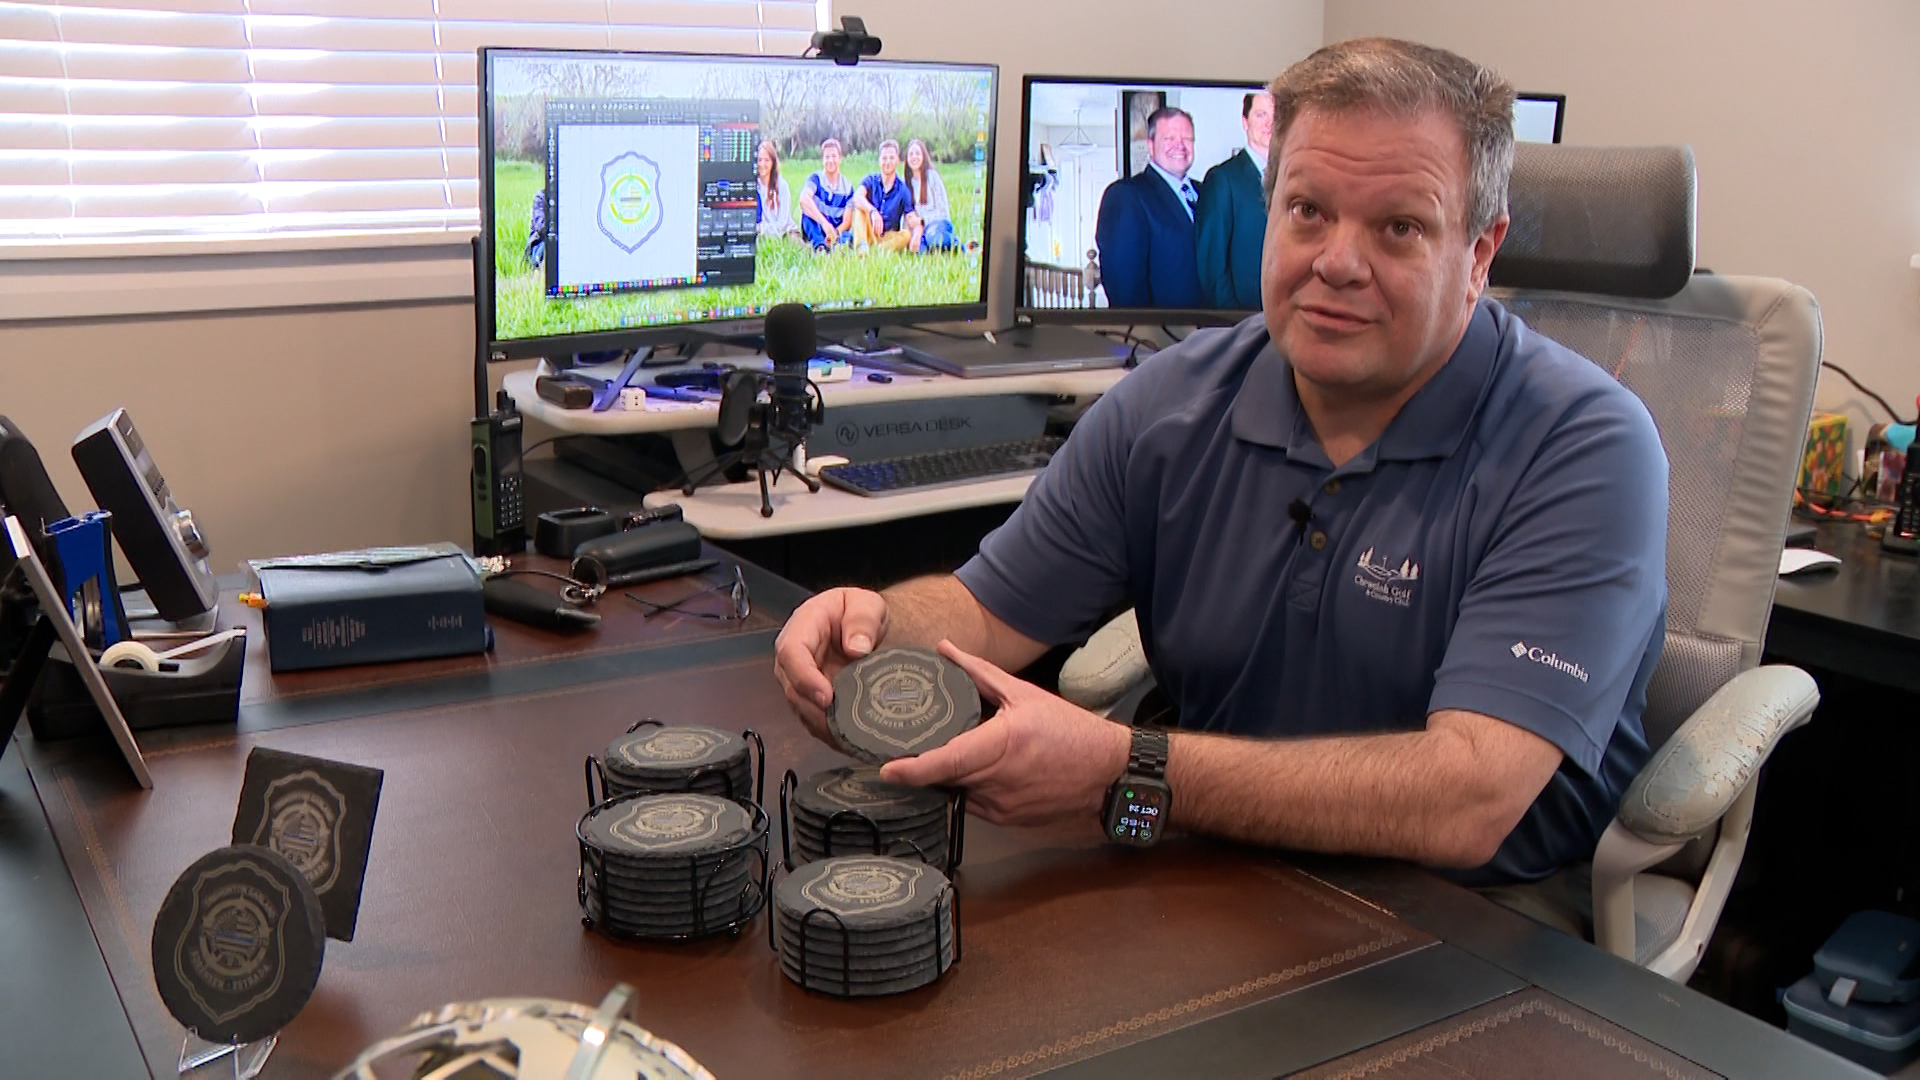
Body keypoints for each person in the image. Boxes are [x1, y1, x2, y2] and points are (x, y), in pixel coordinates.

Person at [773, 38, 1668, 894]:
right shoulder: (1169, 403)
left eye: (1399, 228)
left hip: (1473, 916)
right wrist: (872, 625)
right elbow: (985, 612)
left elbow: (1466, 802)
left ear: (1478, 255)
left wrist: (1130, 772)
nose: (1337, 263)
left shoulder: (1585, 445)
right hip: (1221, 856)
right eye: (1308, 212)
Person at [1093, 106, 1204, 309]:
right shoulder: (1126, 196)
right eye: (1169, 139)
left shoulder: (1206, 191)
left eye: (1187, 139)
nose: (1180, 146)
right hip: (1165, 335)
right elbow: (1124, 288)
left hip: (1216, 332)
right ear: (1150, 146)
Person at [1194, 90, 1274, 310]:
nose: (1269, 123)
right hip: (1243, 320)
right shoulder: (1223, 179)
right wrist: (1233, 321)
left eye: (1276, 116)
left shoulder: (1295, 176)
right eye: (1260, 115)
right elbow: (1213, 266)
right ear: (1244, 121)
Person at [850, 139, 914, 253]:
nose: (887, 162)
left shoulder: (903, 190)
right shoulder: (870, 180)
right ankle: (862, 249)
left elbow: (910, 217)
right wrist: (872, 211)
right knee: (860, 209)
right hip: (869, 231)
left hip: (888, 236)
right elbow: (857, 197)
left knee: (906, 235)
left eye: (891, 158)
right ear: (879, 161)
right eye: (884, 158)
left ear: (897, 160)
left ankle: (878, 250)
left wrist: (920, 224)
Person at [798, 138, 855, 250]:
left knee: (851, 237)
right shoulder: (816, 179)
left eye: (834, 156)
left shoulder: (847, 188)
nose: (830, 160)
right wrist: (824, 224)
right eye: (827, 157)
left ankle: (836, 247)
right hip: (818, 225)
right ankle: (819, 247)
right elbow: (803, 199)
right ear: (822, 160)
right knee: (807, 216)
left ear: (840, 159)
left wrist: (834, 233)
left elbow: (847, 222)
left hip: (836, 230)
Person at [902, 138, 957, 252]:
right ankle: (937, 251)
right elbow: (907, 215)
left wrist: (923, 221)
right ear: (907, 159)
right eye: (911, 154)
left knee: (933, 239)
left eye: (917, 153)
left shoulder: (932, 176)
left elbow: (942, 210)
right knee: (919, 250)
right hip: (923, 230)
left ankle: (957, 245)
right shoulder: (906, 182)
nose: (914, 157)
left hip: (939, 223)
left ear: (923, 156)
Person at [755, 139, 798, 240]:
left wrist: (762, 229)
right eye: (759, 160)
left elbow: (783, 222)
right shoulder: (754, 186)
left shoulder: (782, 185)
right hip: (762, 233)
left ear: (773, 163)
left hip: (786, 231)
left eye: (766, 160)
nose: (762, 164)